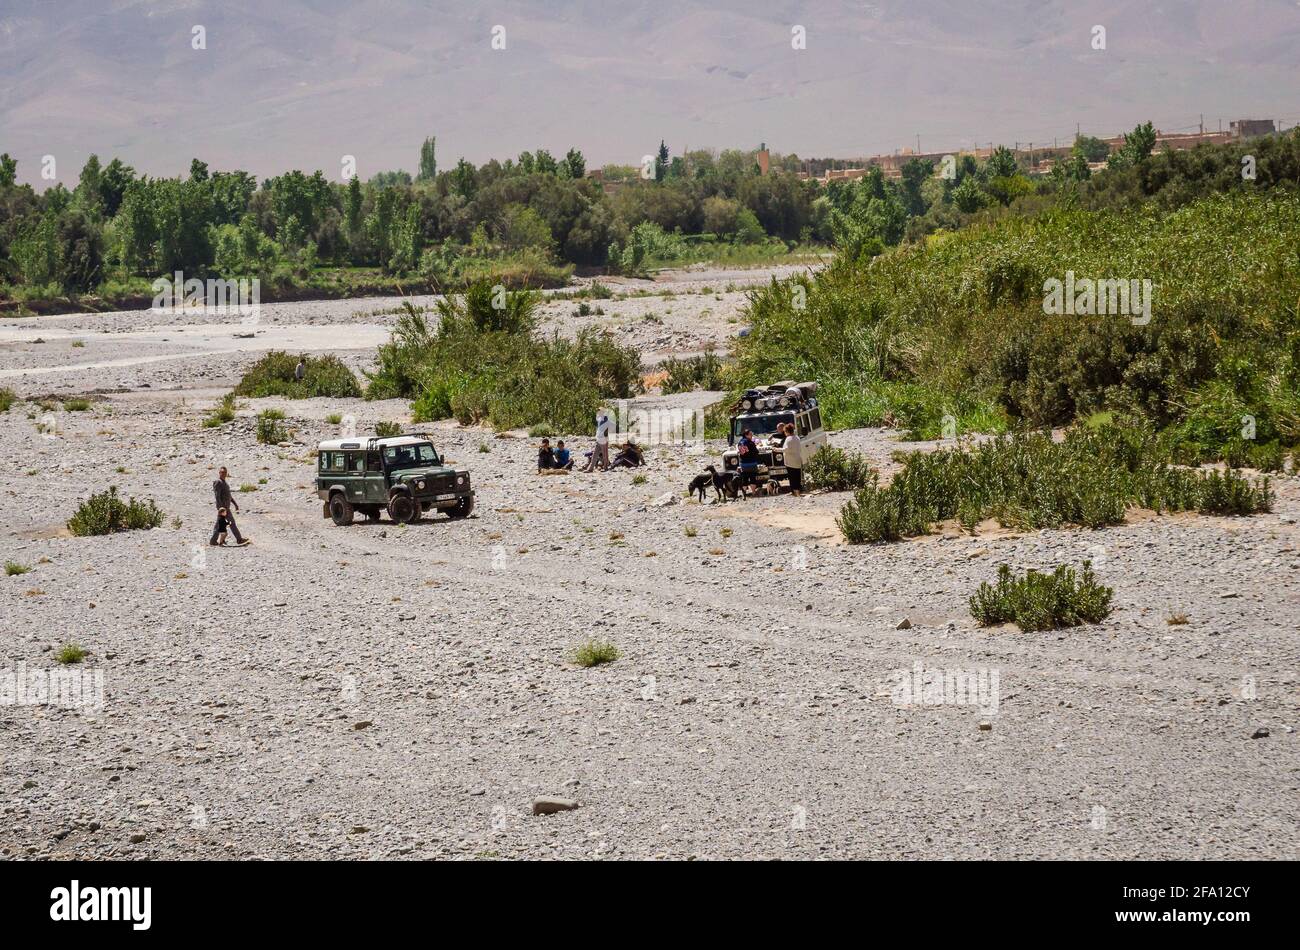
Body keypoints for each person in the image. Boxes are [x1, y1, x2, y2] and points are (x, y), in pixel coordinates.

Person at [210, 466, 250, 546]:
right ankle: (239, 539)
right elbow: (217, 496)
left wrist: (235, 504)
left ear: (226, 473)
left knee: (220, 524)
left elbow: (229, 496)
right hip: (223, 508)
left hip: (226, 508)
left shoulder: (225, 483)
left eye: (224, 472)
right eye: (222, 472)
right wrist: (220, 508)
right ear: (219, 473)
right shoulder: (218, 482)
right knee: (230, 523)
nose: (223, 474)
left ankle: (214, 541)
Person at [782, 422, 804, 496]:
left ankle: (794, 492)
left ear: (787, 431)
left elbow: (786, 449)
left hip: (790, 462)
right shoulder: (797, 437)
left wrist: (776, 449)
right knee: (797, 476)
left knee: (792, 477)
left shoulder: (789, 438)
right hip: (797, 460)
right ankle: (797, 491)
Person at [737, 428, 760, 493]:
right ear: (746, 435)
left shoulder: (740, 443)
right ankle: (753, 492)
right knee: (752, 478)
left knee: (745, 478)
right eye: (750, 434)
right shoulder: (750, 442)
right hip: (752, 463)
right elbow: (756, 452)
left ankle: (744, 493)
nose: (751, 436)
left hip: (743, 464)